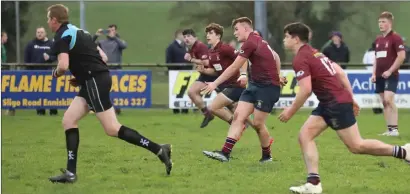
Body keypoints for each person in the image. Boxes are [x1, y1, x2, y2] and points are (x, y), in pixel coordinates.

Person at [45, 4, 172, 183]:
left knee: (112, 128)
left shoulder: (61, 36)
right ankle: (70, 173)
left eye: (48, 19)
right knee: (68, 120)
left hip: (94, 81)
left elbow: (63, 65)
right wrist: (82, 76)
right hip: (95, 79)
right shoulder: (79, 31)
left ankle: (159, 149)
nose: (48, 23)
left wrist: (56, 73)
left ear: (54, 20)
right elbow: (103, 57)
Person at [279, 22, 409, 194]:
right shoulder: (314, 52)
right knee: (304, 135)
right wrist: (351, 98)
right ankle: (313, 183)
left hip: (334, 103)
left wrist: (290, 110)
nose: (284, 40)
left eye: (286, 36)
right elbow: (339, 72)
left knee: (357, 146)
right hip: (329, 103)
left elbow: (306, 89)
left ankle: (403, 151)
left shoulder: (301, 58)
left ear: (295, 39)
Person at [201, 17, 285, 163]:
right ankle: (224, 153)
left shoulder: (251, 42)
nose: (234, 33)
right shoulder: (257, 40)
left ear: (246, 28)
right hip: (253, 86)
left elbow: (234, 67)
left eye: (236, 29)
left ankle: (267, 156)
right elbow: (275, 56)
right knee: (238, 116)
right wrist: (278, 74)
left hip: (267, 88)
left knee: (258, 124)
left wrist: (214, 84)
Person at [371, 12, 406, 136]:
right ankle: (389, 129)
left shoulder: (396, 38)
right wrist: (373, 73)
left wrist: (390, 70)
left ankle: (395, 129)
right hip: (379, 75)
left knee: (388, 99)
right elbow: (376, 57)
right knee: (384, 102)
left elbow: (402, 55)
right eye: (379, 22)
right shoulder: (378, 39)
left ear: (390, 23)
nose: (380, 24)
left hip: (391, 75)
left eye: (383, 22)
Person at [182, 29, 218, 128]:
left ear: (195, 38)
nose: (186, 39)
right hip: (205, 74)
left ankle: (243, 120)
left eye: (189, 36)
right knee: (191, 92)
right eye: (184, 37)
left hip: (214, 73)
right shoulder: (191, 48)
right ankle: (208, 114)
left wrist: (191, 59)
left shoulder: (199, 46)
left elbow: (206, 62)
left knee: (229, 103)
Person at [24, 26, 58, 116]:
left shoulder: (51, 43)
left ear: (45, 33)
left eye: (41, 32)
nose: (39, 34)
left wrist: (49, 58)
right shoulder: (31, 44)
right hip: (36, 73)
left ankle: (53, 111)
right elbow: (26, 59)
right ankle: (40, 111)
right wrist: (29, 71)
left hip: (49, 73)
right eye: (38, 32)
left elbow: (56, 56)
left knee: (51, 93)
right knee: (38, 93)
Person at [166, 29, 189, 114]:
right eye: (184, 35)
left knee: (185, 91)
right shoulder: (171, 47)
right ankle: (176, 110)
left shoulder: (185, 46)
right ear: (178, 35)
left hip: (186, 73)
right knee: (176, 92)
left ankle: (185, 109)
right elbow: (168, 61)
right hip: (175, 73)